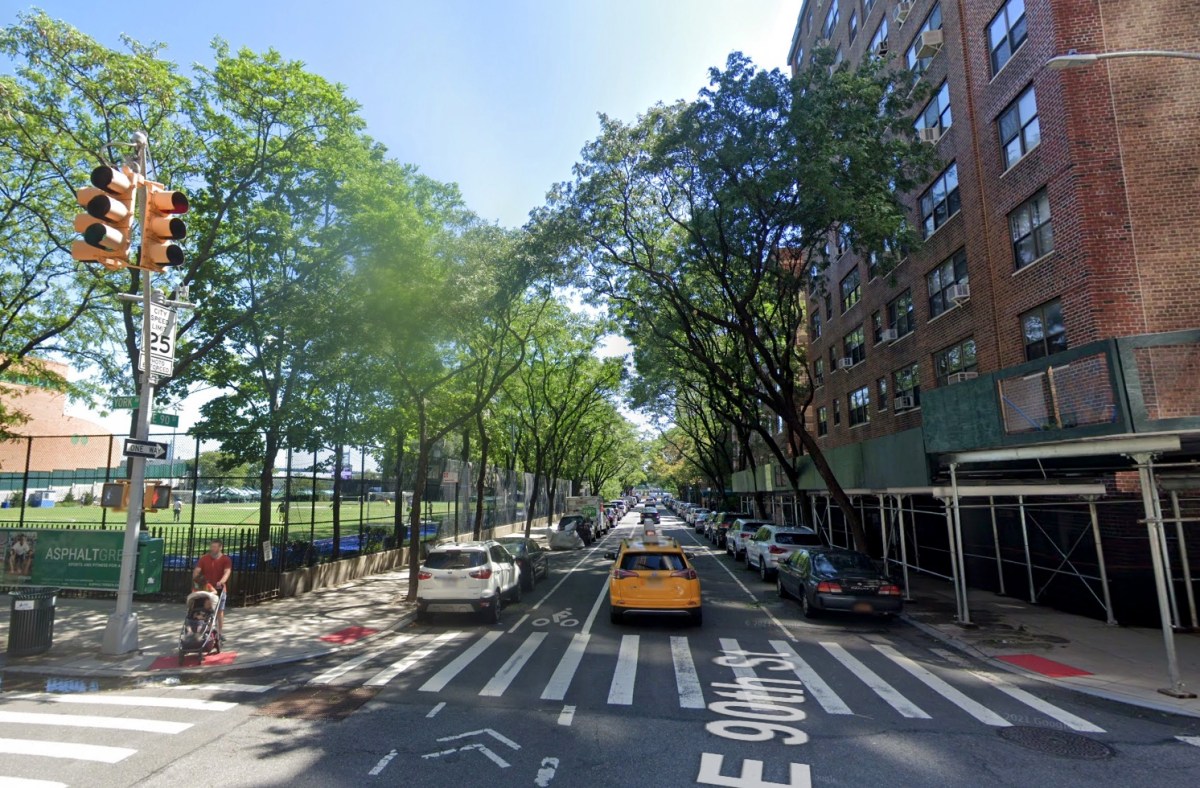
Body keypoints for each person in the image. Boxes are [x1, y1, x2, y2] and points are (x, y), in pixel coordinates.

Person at [193, 539, 232, 640]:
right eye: (212, 546)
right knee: (207, 609)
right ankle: (207, 629)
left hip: (219, 588)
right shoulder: (204, 559)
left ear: (220, 548)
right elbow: (197, 570)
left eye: (215, 547)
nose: (213, 549)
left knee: (220, 611)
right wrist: (197, 579)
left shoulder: (225, 559)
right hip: (207, 588)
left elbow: (227, 572)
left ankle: (219, 632)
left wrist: (222, 581)